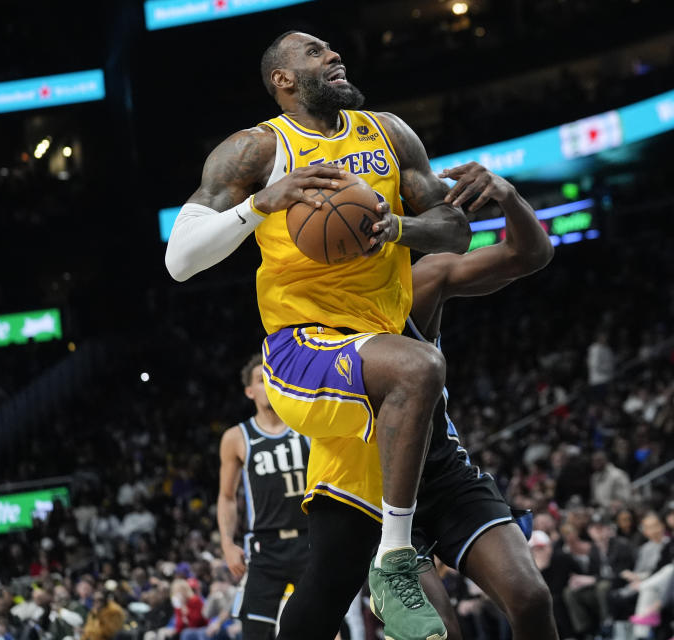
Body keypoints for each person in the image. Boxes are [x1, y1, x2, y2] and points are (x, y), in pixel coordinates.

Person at [164, 30, 470, 640]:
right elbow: (180, 259)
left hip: (378, 350)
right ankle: (397, 562)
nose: (334, 54)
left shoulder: (387, 131)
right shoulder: (255, 150)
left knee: (331, 574)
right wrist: (261, 205)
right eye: (314, 51)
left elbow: (454, 229)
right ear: (282, 79)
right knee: (422, 368)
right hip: (303, 349)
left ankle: (381, 565)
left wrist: (398, 228)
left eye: (334, 48)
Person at [277, 162, 556, 640]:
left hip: (442, 471)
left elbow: (529, 255)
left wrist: (508, 198)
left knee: (531, 598)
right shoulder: (311, 320)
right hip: (370, 488)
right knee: (438, 629)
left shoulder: (420, 283)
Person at [217, 354, 311, 639]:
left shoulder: (308, 425)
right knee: (255, 631)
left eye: (273, 377)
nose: (268, 384)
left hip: (310, 541)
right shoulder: (237, 437)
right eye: (261, 380)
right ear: (249, 391)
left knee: (325, 625)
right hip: (264, 548)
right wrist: (227, 543)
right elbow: (227, 496)